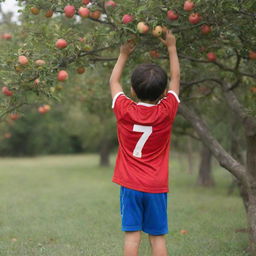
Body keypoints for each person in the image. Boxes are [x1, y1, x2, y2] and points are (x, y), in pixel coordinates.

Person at [109, 30, 180, 256]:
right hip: (156, 185)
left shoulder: (124, 110)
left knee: (132, 236)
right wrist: (171, 47)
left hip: (130, 184)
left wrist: (123, 54)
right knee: (157, 237)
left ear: (132, 90)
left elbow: (113, 81)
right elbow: (177, 79)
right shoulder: (166, 111)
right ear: (163, 92)